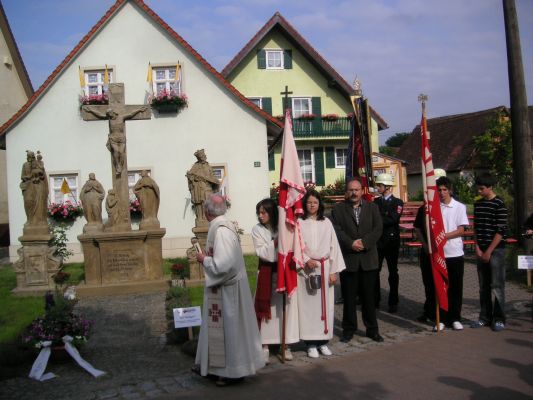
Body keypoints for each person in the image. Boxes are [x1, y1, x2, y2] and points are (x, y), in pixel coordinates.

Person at [194, 195, 264, 386]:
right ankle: (211, 366)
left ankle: (231, 371)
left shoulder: (222, 231)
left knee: (230, 331)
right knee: (219, 328)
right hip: (224, 288)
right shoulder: (223, 226)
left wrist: (204, 260)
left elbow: (223, 265)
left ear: (207, 211)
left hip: (227, 290)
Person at [331, 177, 384, 343]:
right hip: (349, 259)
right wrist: (351, 243)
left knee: (369, 298)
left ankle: (372, 330)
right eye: (351, 190)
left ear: (362, 191)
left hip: (369, 259)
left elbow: (378, 228)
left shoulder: (373, 208)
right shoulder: (338, 210)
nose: (354, 193)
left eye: (356, 189)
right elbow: (336, 230)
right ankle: (348, 329)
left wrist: (365, 242)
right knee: (349, 298)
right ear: (347, 192)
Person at [298, 190, 345, 358]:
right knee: (309, 307)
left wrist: (333, 271)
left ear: (320, 205)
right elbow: (297, 245)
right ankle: (310, 343)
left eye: (315, 202)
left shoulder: (326, 223)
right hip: (307, 270)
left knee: (325, 306)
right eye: (309, 202)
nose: (312, 205)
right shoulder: (300, 223)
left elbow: (334, 247)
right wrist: (305, 259)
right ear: (305, 204)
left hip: (324, 268)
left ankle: (323, 341)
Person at [252, 198, 298, 363]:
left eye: (264, 212)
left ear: (272, 213)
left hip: (283, 272)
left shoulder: (282, 227)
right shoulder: (257, 230)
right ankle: (264, 344)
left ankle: (284, 344)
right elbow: (262, 252)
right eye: (259, 212)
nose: (260, 215)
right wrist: (277, 242)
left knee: (283, 308)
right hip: (266, 271)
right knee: (266, 309)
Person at [471, 173, 508, 332]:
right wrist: (478, 248)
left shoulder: (499, 204)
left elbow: (501, 231)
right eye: (478, 188)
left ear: (490, 187)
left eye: (482, 189)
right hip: (482, 249)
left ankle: (499, 318)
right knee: (483, 286)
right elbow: (476, 228)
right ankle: (484, 316)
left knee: (497, 285)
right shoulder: (478, 204)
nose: (479, 191)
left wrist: (489, 251)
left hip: (496, 250)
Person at [413, 168, 447, 324]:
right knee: (428, 284)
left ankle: (444, 313)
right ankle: (429, 311)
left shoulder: (447, 207)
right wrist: (425, 245)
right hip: (427, 251)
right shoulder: (424, 208)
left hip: (444, 252)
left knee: (444, 283)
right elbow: (417, 227)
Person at [436, 176, 469, 331]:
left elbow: (462, 229)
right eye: (439, 190)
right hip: (440, 253)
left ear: (450, 190)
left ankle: (455, 317)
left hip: (454, 252)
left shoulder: (459, 207)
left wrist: (445, 236)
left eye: (444, 189)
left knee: (456, 287)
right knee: (441, 288)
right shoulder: (435, 208)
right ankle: (442, 318)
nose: (442, 193)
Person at [373, 173, 403, 313]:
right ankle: (375, 300)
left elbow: (393, 219)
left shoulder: (397, 202)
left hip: (391, 242)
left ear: (387, 187)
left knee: (393, 273)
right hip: (378, 242)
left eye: (379, 185)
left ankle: (393, 301)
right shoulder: (376, 202)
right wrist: (383, 217)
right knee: (375, 271)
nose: (377, 187)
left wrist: (380, 218)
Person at [186, 149, 220, 225]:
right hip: (199, 189)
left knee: (207, 202)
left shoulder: (208, 166)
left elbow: (212, 177)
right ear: (198, 158)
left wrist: (215, 182)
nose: (203, 157)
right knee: (199, 203)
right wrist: (192, 178)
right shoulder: (195, 166)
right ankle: (200, 218)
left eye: (203, 155)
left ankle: (207, 217)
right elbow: (190, 175)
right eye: (201, 156)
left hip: (208, 188)